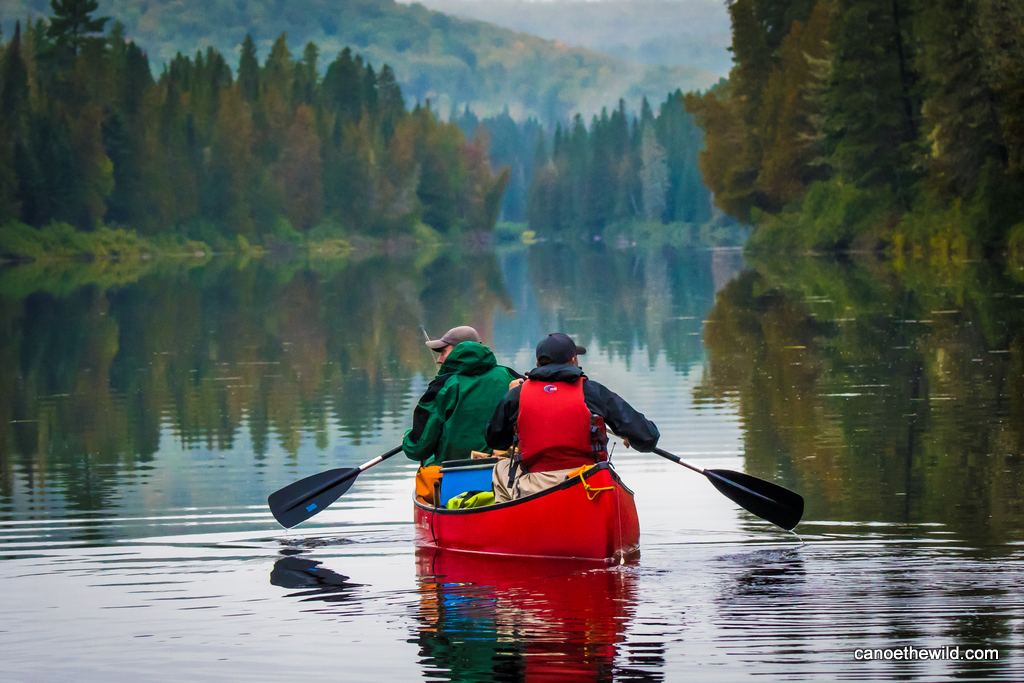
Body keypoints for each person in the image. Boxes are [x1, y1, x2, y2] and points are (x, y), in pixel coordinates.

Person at [485, 333, 659, 502]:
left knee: (501, 468)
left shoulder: (517, 395)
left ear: (537, 364)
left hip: (536, 489)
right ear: (574, 360)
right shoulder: (592, 391)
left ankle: (514, 517)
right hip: (588, 483)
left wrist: (512, 400)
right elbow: (648, 437)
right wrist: (630, 436)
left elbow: (495, 441)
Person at [403, 326, 521, 470]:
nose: (439, 359)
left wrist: (407, 439)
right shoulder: (510, 376)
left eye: (443, 352)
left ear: (461, 350)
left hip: (455, 474)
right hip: (507, 471)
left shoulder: (443, 387)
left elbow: (418, 449)